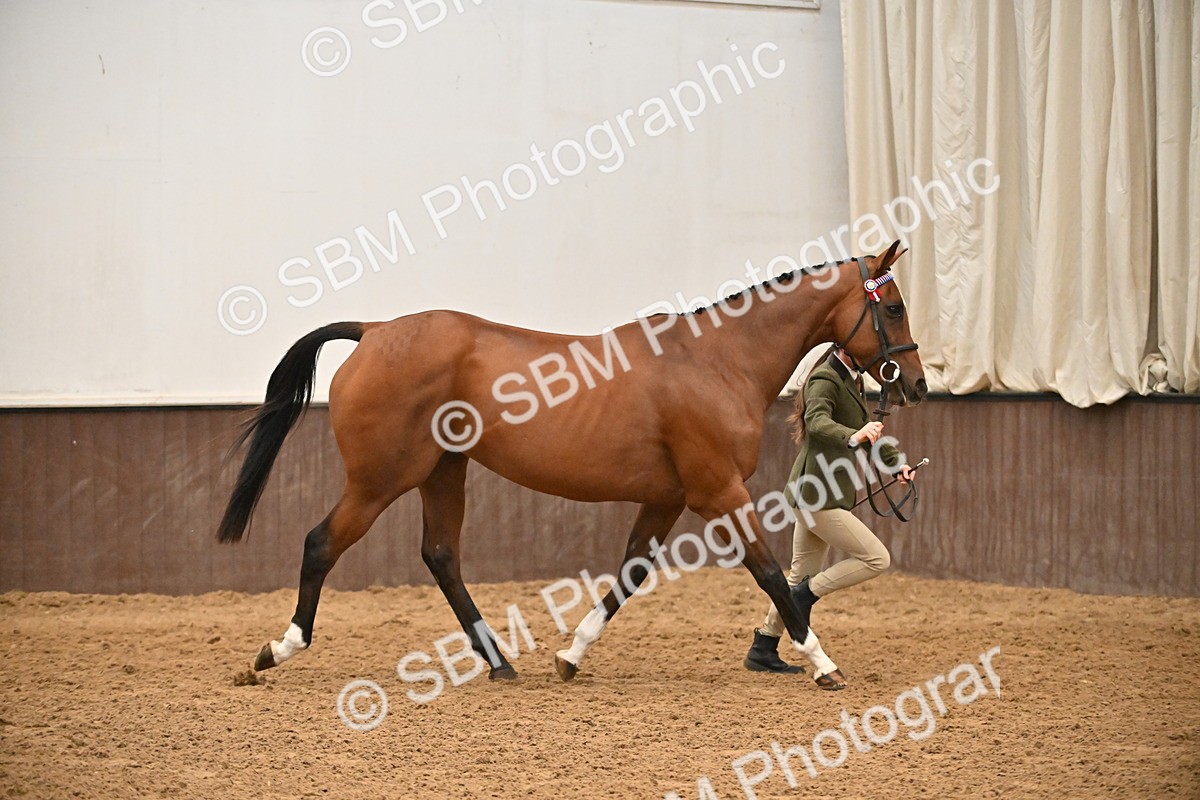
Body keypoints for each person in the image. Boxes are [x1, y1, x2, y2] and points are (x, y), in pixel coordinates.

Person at [743, 344, 914, 689]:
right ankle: (806, 596)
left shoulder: (850, 379)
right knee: (876, 558)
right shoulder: (825, 378)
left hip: (818, 494)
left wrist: (896, 464)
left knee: (798, 576)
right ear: (846, 348)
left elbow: (865, 429)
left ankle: (764, 646)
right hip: (817, 497)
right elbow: (817, 422)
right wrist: (853, 436)